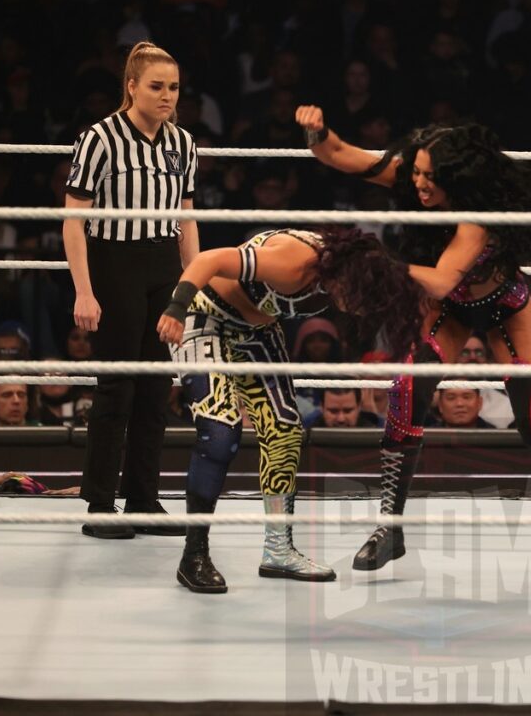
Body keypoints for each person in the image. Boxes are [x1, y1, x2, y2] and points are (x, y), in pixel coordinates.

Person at [295, 104, 531, 578]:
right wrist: (317, 131)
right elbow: (342, 156)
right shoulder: (418, 181)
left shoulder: (477, 217)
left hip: (503, 306)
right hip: (452, 306)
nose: (418, 184)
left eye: (429, 176)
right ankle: (389, 528)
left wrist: (376, 261)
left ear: (457, 176)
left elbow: (436, 280)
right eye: (415, 172)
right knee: (406, 392)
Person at [157, 227, 424, 593]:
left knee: (284, 429)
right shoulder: (294, 261)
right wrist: (176, 308)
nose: (359, 308)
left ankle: (278, 550)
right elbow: (209, 260)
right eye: (362, 297)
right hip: (205, 318)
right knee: (220, 431)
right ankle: (194, 556)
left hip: (257, 332)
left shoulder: (346, 270)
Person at [63, 42, 200, 540]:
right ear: (132, 86)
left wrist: (192, 287)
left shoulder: (182, 143)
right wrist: (84, 289)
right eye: (157, 87)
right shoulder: (99, 138)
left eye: (174, 87)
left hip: (163, 263)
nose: (167, 96)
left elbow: (186, 219)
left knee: (155, 388)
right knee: (116, 386)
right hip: (113, 262)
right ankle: (100, 504)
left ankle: (143, 499)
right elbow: (73, 220)